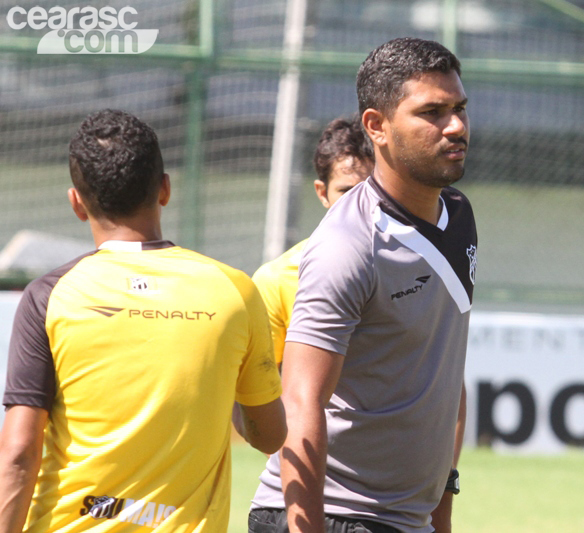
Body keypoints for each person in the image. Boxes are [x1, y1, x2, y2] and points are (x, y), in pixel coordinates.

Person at [0, 109, 286, 533]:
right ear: (165, 188)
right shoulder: (235, 290)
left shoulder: (49, 294)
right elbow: (268, 436)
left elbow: (19, 451)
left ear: (77, 203)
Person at [249, 37, 476, 533]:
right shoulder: (347, 245)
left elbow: (443, 373)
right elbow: (300, 401)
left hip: (402, 518)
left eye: (459, 107)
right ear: (377, 127)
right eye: (432, 112)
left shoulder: (457, 213)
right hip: (331, 514)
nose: (456, 125)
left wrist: (441, 506)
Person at [252, 116, 374, 369]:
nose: (361, 203)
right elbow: (260, 389)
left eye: (373, 191)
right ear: (322, 193)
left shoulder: (422, 264)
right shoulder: (276, 280)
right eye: (346, 191)